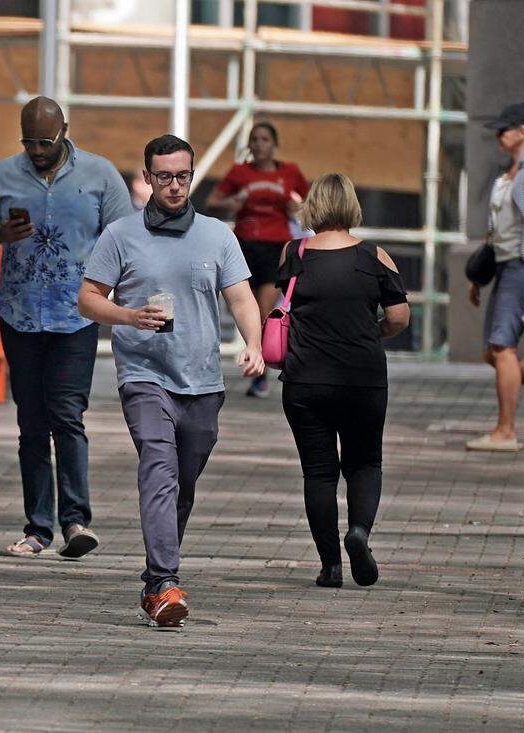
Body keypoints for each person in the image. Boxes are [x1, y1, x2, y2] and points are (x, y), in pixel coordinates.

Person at [79, 134, 265, 628]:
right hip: (144, 374)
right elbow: (89, 299)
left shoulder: (216, 235)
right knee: (158, 469)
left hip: (202, 379)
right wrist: (127, 316)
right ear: (147, 178)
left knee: (182, 482)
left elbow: (243, 298)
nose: (175, 185)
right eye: (164, 176)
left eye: (183, 175)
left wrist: (254, 343)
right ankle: (165, 580)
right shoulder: (120, 235)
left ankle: (154, 583)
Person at [0, 96, 134, 560]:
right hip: (19, 314)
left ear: (65, 131)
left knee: (66, 415)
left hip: (77, 314)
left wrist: (120, 302)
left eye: (45, 141)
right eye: (29, 141)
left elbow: (125, 243)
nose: (37, 150)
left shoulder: (100, 176)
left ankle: (75, 521)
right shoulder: (0, 177)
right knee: (31, 421)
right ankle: (38, 528)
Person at [276, 173, 410, 588]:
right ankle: (360, 533)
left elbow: (279, 306)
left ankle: (330, 566)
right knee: (364, 462)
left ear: (312, 206)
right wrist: (372, 333)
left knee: (318, 473)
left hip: (305, 381)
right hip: (362, 379)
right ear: (352, 205)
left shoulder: (294, 252)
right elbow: (399, 317)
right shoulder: (375, 256)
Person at [206, 121, 309, 398]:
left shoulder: (290, 172)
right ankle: (257, 359)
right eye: (255, 139)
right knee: (242, 308)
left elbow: (314, 206)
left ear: (274, 144)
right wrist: (232, 203)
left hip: (275, 247)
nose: (259, 144)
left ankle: (260, 372)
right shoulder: (240, 173)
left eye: (264, 139)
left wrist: (297, 208)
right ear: (249, 145)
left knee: (263, 311)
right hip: (244, 245)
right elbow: (213, 200)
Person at [466, 103, 524, 452]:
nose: (498, 135)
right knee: (492, 352)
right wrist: (478, 275)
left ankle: (505, 432)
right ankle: (505, 428)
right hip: (506, 265)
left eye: (503, 129)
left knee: (502, 347)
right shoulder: (507, 172)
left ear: (522, 131)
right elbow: (497, 231)